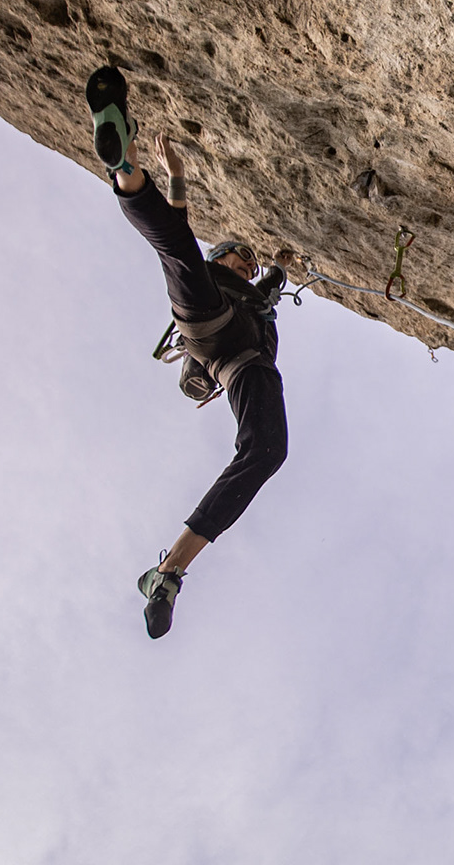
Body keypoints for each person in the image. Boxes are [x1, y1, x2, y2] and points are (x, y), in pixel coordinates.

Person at [87, 65, 290, 638]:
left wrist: (273, 274)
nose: (248, 263)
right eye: (241, 255)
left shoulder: (258, 296)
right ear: (223, 256)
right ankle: (124, 165)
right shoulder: (213, 271)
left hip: (248, 363)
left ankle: (163, 574)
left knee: (267, 452)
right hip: (209, 326)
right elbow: (179, 229)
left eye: (251, 261)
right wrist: (174, 176)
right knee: (176, 247)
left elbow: (267, 289)